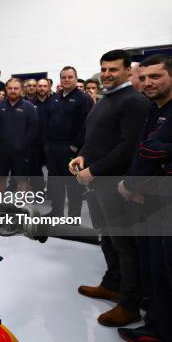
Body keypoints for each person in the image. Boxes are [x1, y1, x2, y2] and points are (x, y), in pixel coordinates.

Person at [69, 49, 151, 327]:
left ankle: (129, 303)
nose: (106, 74)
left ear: (128, 71)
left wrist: (95, 169)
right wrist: (82, 154)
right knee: (108, 238)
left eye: (113, 69)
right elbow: (97, 136)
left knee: (124, 245)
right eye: (104, 69)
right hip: (98, 182)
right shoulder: (108, 99)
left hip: (115, 184)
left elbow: (128, 146)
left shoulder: (134, 102)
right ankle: (112, 283)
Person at [117, 54, 172, 342]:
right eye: (145, 77)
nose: (148, 82)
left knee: (164, 270)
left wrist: (137, 183)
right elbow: (146, 151)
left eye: (157, 77)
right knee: (153, 269)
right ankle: (156, 326)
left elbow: (158, 153)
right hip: (148, 203)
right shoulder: (154, 109)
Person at [45, 66, 93, 217]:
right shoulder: (55, 98)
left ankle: (73, 217)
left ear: (76, 78)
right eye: (63, 77)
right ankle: (56, 212)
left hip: (71, 149)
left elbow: (87, 124)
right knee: (55, 183)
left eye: (70, 77)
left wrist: (76, 146)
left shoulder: (83, 98)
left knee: (73, 185)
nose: (66, 80)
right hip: (53, 147)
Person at [0, 78, 38, 192]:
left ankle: (23, 208)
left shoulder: (29, 107)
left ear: (22, 90)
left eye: (16, 88)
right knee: (1, 179)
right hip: (2, 151)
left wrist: (22, 145)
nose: (13, 90)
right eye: (10, 88)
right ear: (6, 89)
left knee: (22, 180)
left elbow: (33, 129)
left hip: (22, 152)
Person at [29, 78, 52, 194]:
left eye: (44, 86)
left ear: (48, 87)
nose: (42, 88)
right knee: (35, 169)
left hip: (51, 142)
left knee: (52, 169)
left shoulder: (54, 102)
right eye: (40, 86)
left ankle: (53, 193)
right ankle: (39, 192)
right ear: (36, 88)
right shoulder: (29, 104)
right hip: (34, 143)